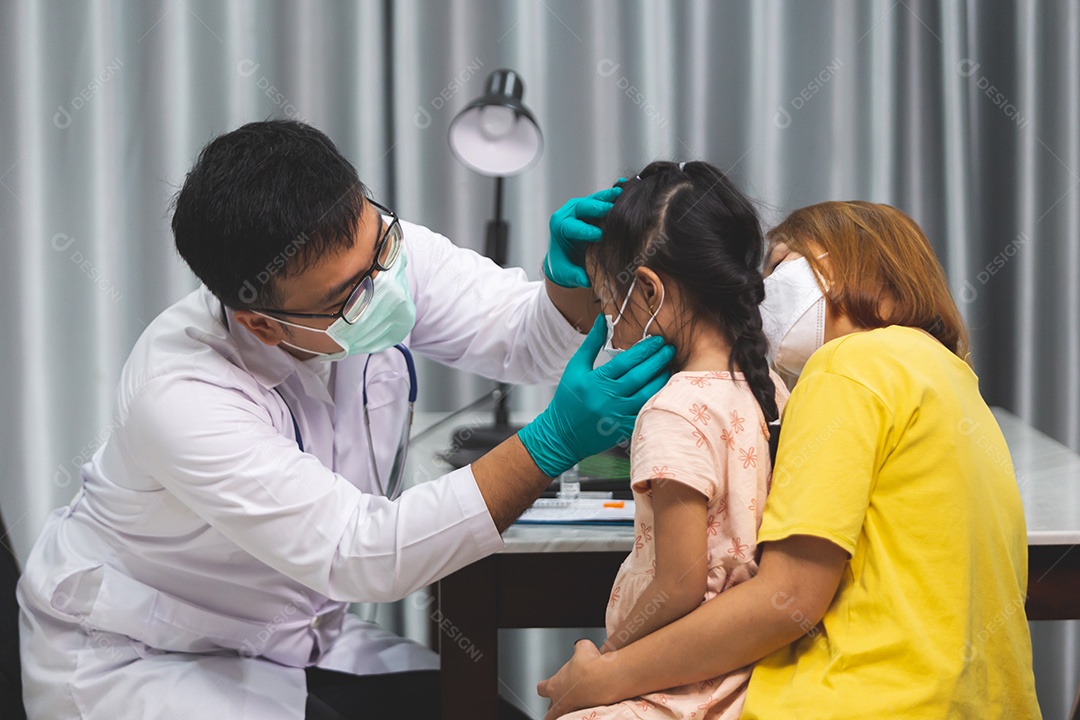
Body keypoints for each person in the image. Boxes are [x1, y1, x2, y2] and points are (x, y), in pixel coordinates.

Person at [16, 120, 675, 720]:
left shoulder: (376, 252)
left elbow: (519, 339)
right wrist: (552, 441)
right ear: (260, 323)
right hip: (141, 659)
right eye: (347, 295)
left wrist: (565, 283)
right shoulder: (181, 393)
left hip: (283, 637)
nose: (385, 284)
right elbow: (361, 555)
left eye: (380, 248)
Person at [539, 201, 1042, 719]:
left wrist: (605, 674)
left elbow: (790, 601)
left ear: (855, 265)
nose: (763, 294)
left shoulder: (848, 368)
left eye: (778, 267)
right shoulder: (951, 376)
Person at [552, 161, 789, 720]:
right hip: (751, 676)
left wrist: (605, 662)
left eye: (610, 301)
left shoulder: (672, 410)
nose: (610, 319)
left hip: (681, 684)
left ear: (650, 290)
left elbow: (680, 584)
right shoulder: (770, 388)